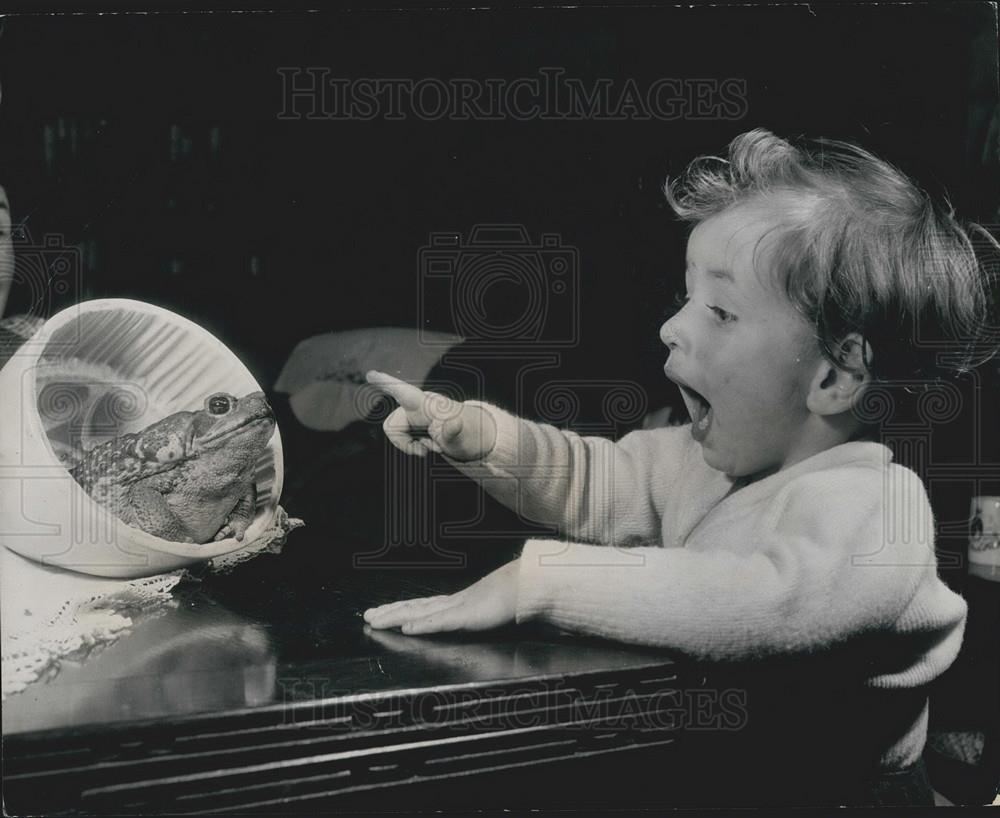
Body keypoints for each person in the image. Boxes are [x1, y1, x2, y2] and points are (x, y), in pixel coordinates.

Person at [362, 129, 998, 805]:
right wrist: (477, 434)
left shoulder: (875, 507)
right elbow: (591, 478)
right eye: (685, 297)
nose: (673, 328)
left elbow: (768, 603)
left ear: (837, 377)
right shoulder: (702, 459)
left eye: (720, 311)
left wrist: (540, 581)